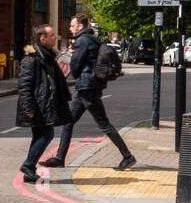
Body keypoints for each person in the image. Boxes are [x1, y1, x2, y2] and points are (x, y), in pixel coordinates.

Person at [42, 15, 135, 171]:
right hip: (87, 86)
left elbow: (75, 64)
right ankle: (59, 158)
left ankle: (127, 156)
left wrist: (74, 65)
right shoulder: (92, 39)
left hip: (87, 87)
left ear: (79, 26)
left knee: (103, 123)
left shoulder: (82, 41)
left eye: (72, 26)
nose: (70, 28)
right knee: (68, 122)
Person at [16, 25, 73, 183]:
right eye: (52, 35)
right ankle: (28, 165)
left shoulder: (47, 56)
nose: (55, 37)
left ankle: (29, 172)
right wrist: (28, 108)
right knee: (46, 135)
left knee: (40, 135)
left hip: (44, 104)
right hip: (37, 105)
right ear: (42, 38)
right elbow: (24, 86)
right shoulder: (32, 58)